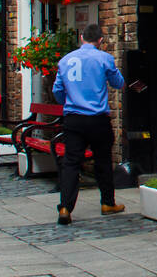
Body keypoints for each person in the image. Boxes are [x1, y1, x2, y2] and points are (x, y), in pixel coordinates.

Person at [52, 24, 125, 225]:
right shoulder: (104, 59)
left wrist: (69, 100)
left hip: (74, 118)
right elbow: (118, 83)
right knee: (102, 160)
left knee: (71, 162)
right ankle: (107, 203)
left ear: (82, 37)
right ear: (100, 40)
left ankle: (65, 206)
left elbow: (57, 91)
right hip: (97, 118)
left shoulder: (65, 60)